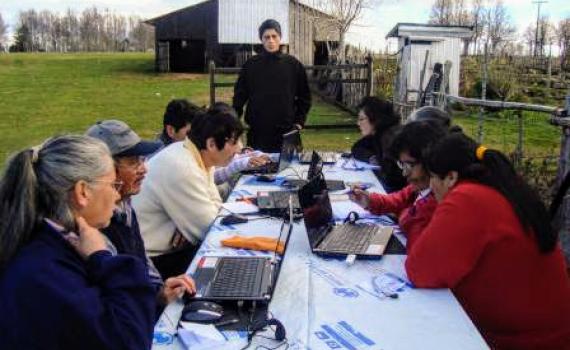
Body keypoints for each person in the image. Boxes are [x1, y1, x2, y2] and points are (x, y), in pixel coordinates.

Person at [406, 133, 570, 349]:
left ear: (451, 177)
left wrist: (416, 216)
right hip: (550, 331)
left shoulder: (467, 199)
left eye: (432, 178)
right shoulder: (504, 187)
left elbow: (419, 269)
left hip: (522, 341)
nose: (431, 186)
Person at [0, 135, 156, 349]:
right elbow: (130, 340)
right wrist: (102, 259)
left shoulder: (45, 243)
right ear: (82, 192)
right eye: (113, 185)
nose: (117, 195)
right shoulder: (46, 271)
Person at [86, 120, 196, 309]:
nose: (144, 169)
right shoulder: (97, 223)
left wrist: (160, 291)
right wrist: (153, 298)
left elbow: (142, 259)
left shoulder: (125, 203)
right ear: (106, 170)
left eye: (142, 159)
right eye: (133, 162)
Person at [132, 108, 244, 278]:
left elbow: (216, 207)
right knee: (235, 268)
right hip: (152, 262)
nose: (240, 148)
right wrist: (195, 225)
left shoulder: (196, 155)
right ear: (211, 144)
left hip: (168, 250)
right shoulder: (182, 167)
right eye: (234, 141)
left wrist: (189, 225)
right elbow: (211, 230)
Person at [350, 121, 446, 250]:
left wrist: (404, 213)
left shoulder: (437, 203)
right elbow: (398, 199)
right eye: (402, 164)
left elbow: (416, 245)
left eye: (411, 165)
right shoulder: (422, 188)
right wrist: (369, 200)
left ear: (431, 161)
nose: (405, 172)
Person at [233, 18, 311, 152]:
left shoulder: (293, 65)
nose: (271, 40)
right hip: (257, 134)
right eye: (266, 37)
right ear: (261, 39)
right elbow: (239, 98)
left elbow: (305, 98)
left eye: (274, 36)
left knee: (291, 172)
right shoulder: (250, 66)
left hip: (287, 134)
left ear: (280, 37)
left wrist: (298, 123)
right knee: (256, 172)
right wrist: (233, 123)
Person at [351, 97, 406, 192]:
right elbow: (357, 147)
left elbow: (393, 179)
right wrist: (371, 158)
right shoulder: (377, 134)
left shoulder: (391, 138)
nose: (358, 123)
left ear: (375, 118)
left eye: (361, 119)